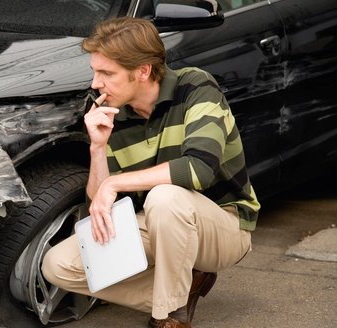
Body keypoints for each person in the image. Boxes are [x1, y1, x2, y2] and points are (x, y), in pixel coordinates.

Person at [41, 17, 260, 328]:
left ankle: (169, 318)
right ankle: (179, 292)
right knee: (58, 266)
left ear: (142, 70)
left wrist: (115, 182)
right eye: (95, 71)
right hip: (162, 223)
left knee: (165, 197)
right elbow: (100, 203)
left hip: (225, 227)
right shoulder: (114, 112)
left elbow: (200, 170)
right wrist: (98, 147)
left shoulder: (196, 87)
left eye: (106, 73)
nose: (95, 83)